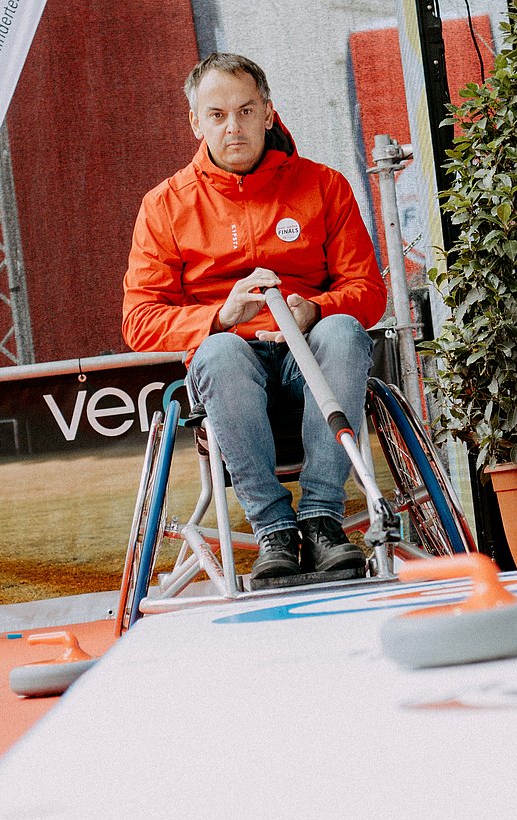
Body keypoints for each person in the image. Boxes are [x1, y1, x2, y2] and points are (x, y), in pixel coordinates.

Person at [123, 54, 387, 589]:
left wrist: (317, 308)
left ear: (268, 113)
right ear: (195, 122)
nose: (233, 126)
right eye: (216, 115)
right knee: (218, 352)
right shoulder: (165, 205)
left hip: (309, 357)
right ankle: (273, 530)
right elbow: (139, 319)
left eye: (245, 111)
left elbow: (368, 291)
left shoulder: (325, 186)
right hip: (233, 369)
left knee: (343, 330)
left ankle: (321, 520)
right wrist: (219, 316)